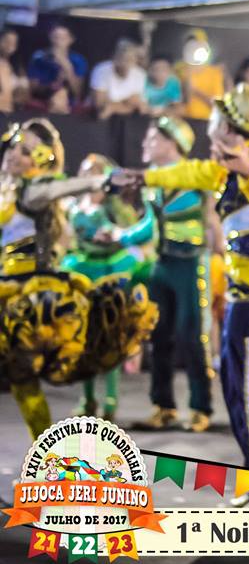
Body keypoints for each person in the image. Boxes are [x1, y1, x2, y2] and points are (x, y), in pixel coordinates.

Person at [113, 84, 249, 504]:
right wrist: (144, 176)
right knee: (235, 392)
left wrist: (246, 168)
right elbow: (187, 172)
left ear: (231, 127)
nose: (212, 126)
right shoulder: (221, 169)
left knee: (248, 395)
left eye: (219, 120)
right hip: (242, 299)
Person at [0, 118, 155, 439]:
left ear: (39, 162)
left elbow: (64, 186)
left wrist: (103, 180)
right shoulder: (7, 188)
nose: (15, 154)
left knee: (23, 379)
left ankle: (46, 450)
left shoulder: (34, 192)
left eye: (26, 151)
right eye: (15, 145)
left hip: (25, 298)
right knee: (20, 382)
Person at [136, 116, 216, 433]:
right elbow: (149, 224)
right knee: (158, 335)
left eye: (153, 138)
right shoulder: (152, 181)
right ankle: (163, 406)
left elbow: (212, 218)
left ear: (173, 143)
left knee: (192, 335)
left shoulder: (195, 177)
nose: (146, 144)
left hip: (190, 263)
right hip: (161, 263)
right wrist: (119, 236)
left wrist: (219, 249)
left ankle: (200, 407)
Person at [61, 153, 155, 421]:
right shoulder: (73, 206)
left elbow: (135, 235)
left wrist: (114, 235)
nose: (88, 176)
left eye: (94, 171)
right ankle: (88, 399)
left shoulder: (114, 207)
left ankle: (111, 400)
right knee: (83, 339)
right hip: (81, 272)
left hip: (110, 272)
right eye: (84, 171)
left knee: (109, 336)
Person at [27, 24, 88, 114]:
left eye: (63, 38)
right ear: (50, 38)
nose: (58, 41)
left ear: (71, 40)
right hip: (43, 101)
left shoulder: (78, 60)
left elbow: (77, 92)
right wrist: (50, 87)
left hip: (69, 104)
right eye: (55, 37)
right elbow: (32, 88)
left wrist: (67, 67)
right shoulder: (39, 57)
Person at [177, 29, 227, 121]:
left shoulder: (215, 72)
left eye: (197, 45)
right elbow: (180, 100)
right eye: (190, 46)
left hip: (206, 120)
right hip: (183, 120)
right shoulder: (178, 70)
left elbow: (218, 104)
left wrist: (196, 91)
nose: (194, 49)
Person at [90, 39, 148, 120]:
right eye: (122, 58)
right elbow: (99, 105)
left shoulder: (140, 74)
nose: (125, 63)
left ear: (136, 60)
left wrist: (112, 107)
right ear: (114, 57)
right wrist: (125, 103)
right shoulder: (101, 70)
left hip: (129, 119)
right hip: (97, 119)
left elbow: (138, 105)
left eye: (130, 59)